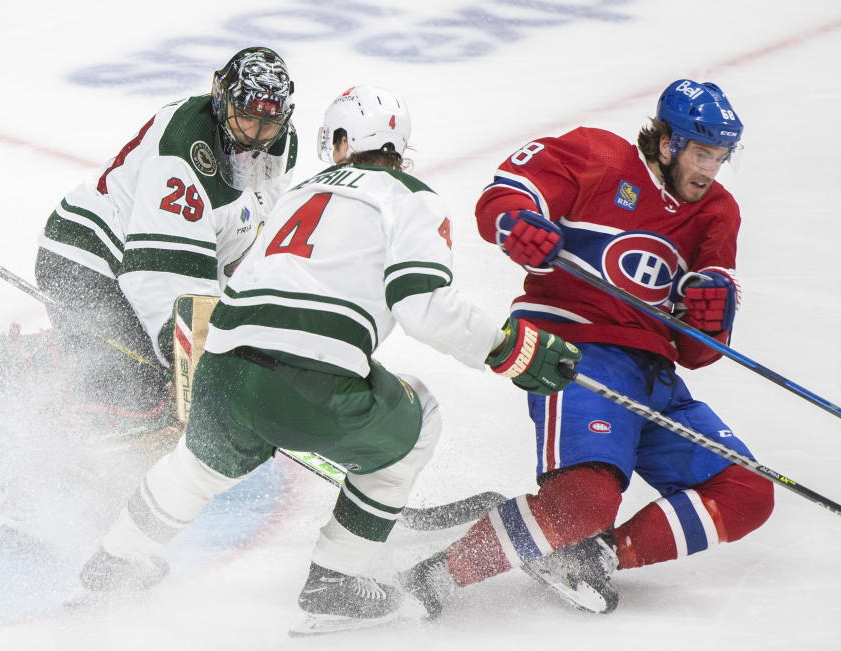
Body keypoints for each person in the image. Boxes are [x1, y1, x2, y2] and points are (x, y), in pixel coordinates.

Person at [73, 85, 582, 635]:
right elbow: (423, 305)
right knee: (422, 416)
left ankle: (112, 565)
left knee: (195, 470)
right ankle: (335, 581)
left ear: (342, 142)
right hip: (312, 378)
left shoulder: (300, 190)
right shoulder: (412, 197)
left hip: (223, 361)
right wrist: (508, 346)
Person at [400, 79, 775, 617]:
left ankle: (592, 555)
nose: (709, 170)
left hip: (657, 378)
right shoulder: (597, 155)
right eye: (701, 153)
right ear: (667, 143)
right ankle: (430, 579)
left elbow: (697, 352)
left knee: (748, 491)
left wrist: (712, 320)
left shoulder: (717, 213)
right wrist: (516, 222)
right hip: (578, 352)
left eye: (721, 157)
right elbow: (501, 199)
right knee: (585, 502)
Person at [0, 46, 299, 536]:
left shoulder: (278, 142)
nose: (257, 136)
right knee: (140, 388)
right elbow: (160, 274)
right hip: (87, 261)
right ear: (220, 100)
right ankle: (23, 480)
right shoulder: (184, 150)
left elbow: (251, 223)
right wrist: (195, 359)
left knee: (140, 375)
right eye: (246, 121)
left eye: (268, 125)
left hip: (152, 267)